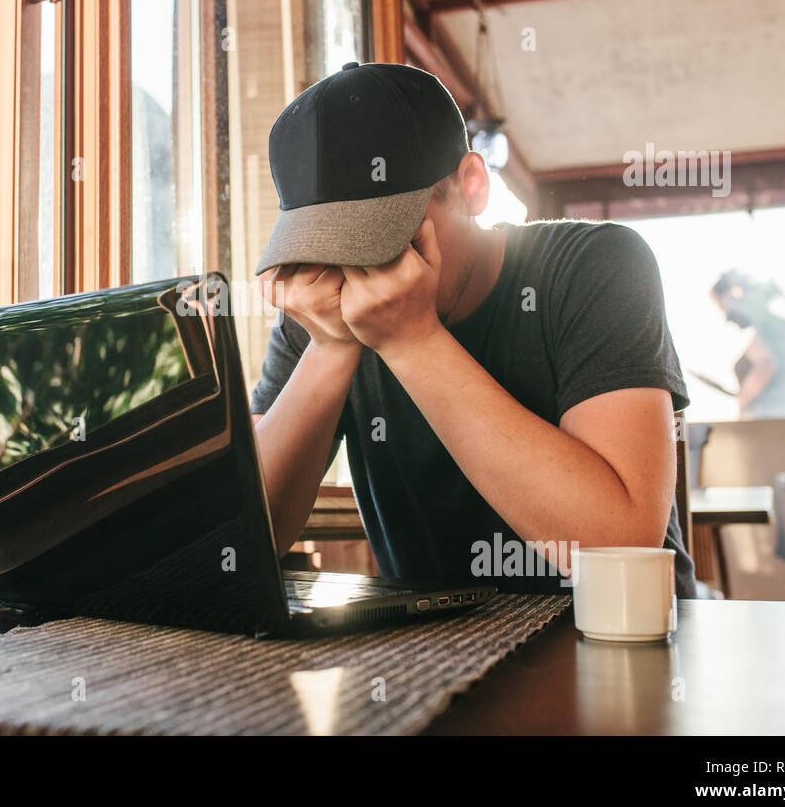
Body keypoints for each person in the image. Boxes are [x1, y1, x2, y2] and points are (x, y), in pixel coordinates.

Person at [249, 61, 696, 597]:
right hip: (436, 655)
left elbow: (619, 547)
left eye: (377, 241)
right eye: (327, 246)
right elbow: (242, 540)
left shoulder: (595, 265)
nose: (354, 274)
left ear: (472, 185)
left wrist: (413, 341)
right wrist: (329, 347)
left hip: (627, 638)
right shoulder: (322, 306)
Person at [710, 270, 785, 419]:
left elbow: (766, 365)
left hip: (769, 428)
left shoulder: (772, 328)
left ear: (734, 297)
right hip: (780, 427)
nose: (727, 318)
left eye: (725, 310)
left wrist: (743, 400)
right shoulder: (774, 329)